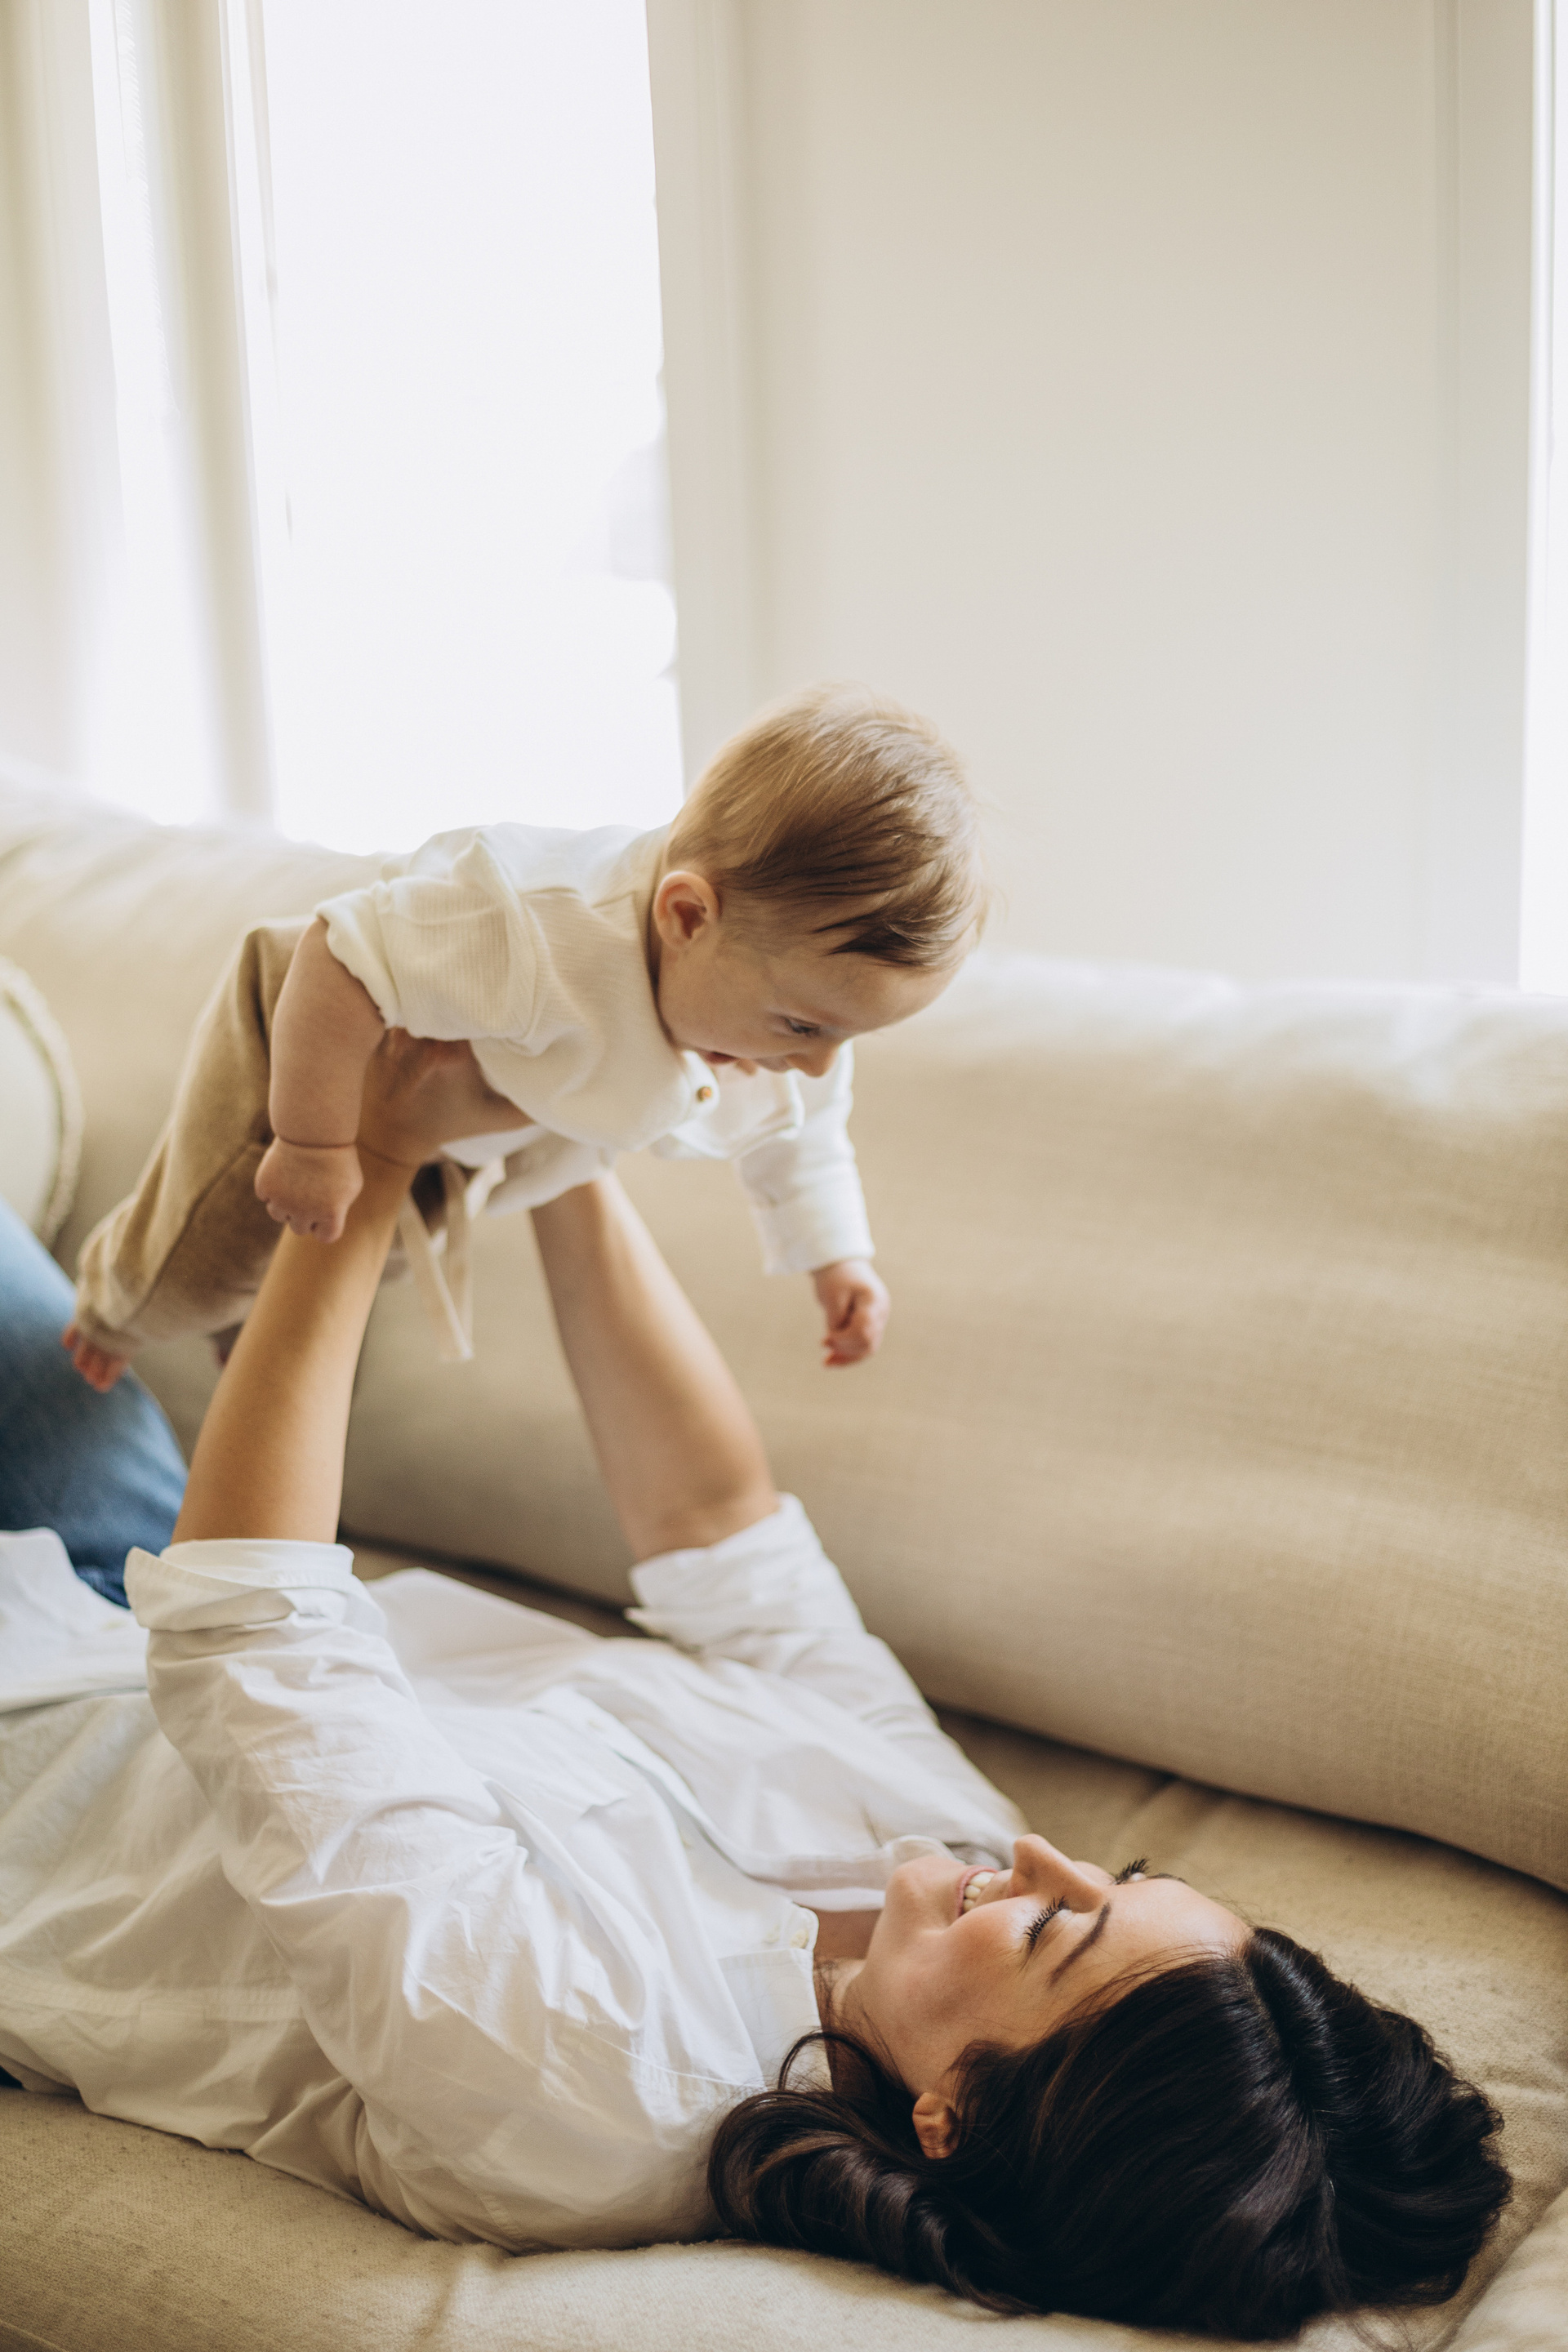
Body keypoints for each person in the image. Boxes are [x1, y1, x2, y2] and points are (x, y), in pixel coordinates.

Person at [0, 1037, 1508, 2337]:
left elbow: (255, 1625)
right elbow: (721, 1531)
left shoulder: (594, 2086)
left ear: (956, 2116)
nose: (1038, 1854)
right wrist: (564, 1128)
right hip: (110, 1571)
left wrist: (377, 1160)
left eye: (1059, 1929)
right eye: (1116, 1877)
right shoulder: (938, 1840)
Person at [63, 684, 978, 1392]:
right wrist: (312, 1143)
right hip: (315, 1039)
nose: (817, 1062)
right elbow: (337, 956)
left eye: (846, 1038)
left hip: (460, 1121)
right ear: (687, 917)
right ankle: (109, 1312)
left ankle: (244, 1313)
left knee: (366, 1253)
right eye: (804, 1028)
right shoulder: (534, 926)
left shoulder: (782, 1012)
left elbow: (802, 1129)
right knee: (203, 1257)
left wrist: (835, 1256)